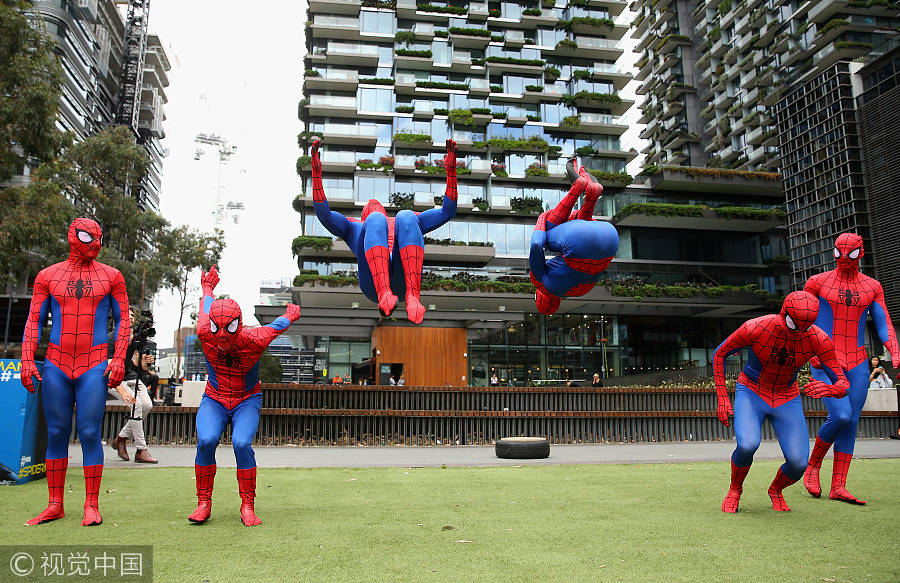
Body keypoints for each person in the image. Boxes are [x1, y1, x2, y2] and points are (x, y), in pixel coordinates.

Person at [20, 218, 131, 526]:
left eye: (99, 237)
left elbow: (123, 321)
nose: (96, 243)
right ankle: (55, 503)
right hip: (56, 362)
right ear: (73, 237)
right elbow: (34, 320)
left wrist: (119, 358)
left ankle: (91, 504)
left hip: (94, 362)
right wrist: (26, 358)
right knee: (55, 432)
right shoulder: (47, 276)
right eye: (88, 236)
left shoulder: (112, 277)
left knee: (89, 432)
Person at [713, 291, 849, 513]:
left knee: (798, 464)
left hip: (787, 395)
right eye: (793, 324)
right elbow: (720, 354)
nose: (798, 332)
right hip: (751, 390)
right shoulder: (756, 327)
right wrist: (722, 397)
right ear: (784, 312)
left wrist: (832, 389)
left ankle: (776, 489)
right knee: (747, 444)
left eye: (806, 326)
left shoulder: (819, 339)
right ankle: (735, 489)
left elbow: (843, 383)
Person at [188, 265, 300, 526]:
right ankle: (203, 502)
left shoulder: (254, 337)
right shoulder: (205, 330)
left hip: (246, 399)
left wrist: (291, 315)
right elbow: (206, 307)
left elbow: (277, 326)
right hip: (214, 397)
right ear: (212, 327)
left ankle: (247, 505)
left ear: (239, 325)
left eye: (229, 328)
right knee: (206, 439)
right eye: (218, 329)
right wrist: (207, 288)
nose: (223, 336)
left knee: (241, 443)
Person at [311, 138, 458, 324]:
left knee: (405, 215)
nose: (373, 205)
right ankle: (386, 293)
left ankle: (413, 296)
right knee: (381, 220)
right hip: (374, 284)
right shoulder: (356, 226)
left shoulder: (403, 220)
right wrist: (316, 174)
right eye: (369, 207)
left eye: (374, 205)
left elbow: (447, 212)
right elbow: (325, 216)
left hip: (403, 281)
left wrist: (451, 172)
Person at [803, 233, 899, 505]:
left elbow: (884, 323)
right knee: (842, 416)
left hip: (856, 361)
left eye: (851, 254)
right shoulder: (817, 282)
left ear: (861, 253)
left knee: (852, 421)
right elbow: (803, 317)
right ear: (834, 252)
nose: (844, 258)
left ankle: (839, 486)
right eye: (839, 253)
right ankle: (813, 466)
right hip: (824, 359)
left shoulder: (873, 286)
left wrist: (896, 351)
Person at [529, 158, 619, 315]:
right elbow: (537, 244)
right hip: (579, 239)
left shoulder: (579, 292)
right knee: (548, 236)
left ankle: (593, 192)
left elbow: (585, 247)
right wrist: (541, 220)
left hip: (610, 237)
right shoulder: (541, 284)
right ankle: (577, 187)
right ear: (540, 297)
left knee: (576, 235)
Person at [107, 307, 158, 464]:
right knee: (137, 405)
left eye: (131, 315)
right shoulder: (110, 338)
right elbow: (109, 368)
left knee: (147, 405)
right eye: (125, 314)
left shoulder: (135, 338)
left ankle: (120, 438)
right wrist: (121, 391)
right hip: (114, 377)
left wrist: (146, 361)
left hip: (129, 374)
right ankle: (141, 449)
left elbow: (141, 367)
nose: (129, 317)